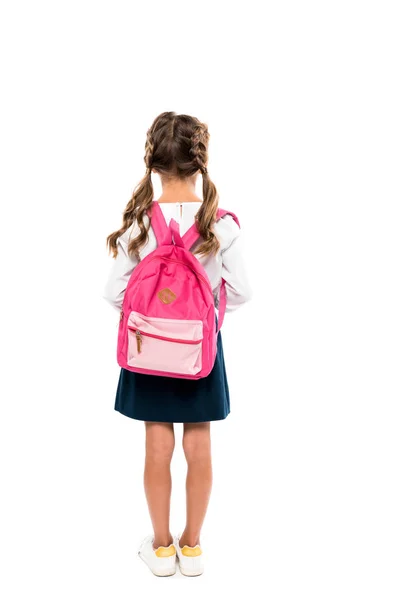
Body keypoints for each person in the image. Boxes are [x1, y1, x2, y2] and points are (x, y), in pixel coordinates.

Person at [103, 111, 253, 577]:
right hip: (200, 350)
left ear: (153, 163)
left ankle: (161, 550)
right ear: (200, 161)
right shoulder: (219, 225)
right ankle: (193, 549)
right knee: (200, 445)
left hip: (149, 349)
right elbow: (244, 291)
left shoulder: (139, 224)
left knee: (156, 446)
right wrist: (204, 313)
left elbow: (113, 293)